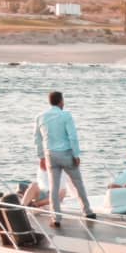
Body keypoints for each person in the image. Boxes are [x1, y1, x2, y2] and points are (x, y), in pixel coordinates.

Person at [35, 91, 95, 227]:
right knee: (78, 183)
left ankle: (56, 217)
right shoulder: (66, 115)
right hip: (66, 154)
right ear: (61, 101)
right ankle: (87, 211)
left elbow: (37, 139)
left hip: (50, 155)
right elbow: (72, 136)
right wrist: (76, 154)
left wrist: (41, 157)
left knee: (54, 187)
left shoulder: (40, 117)